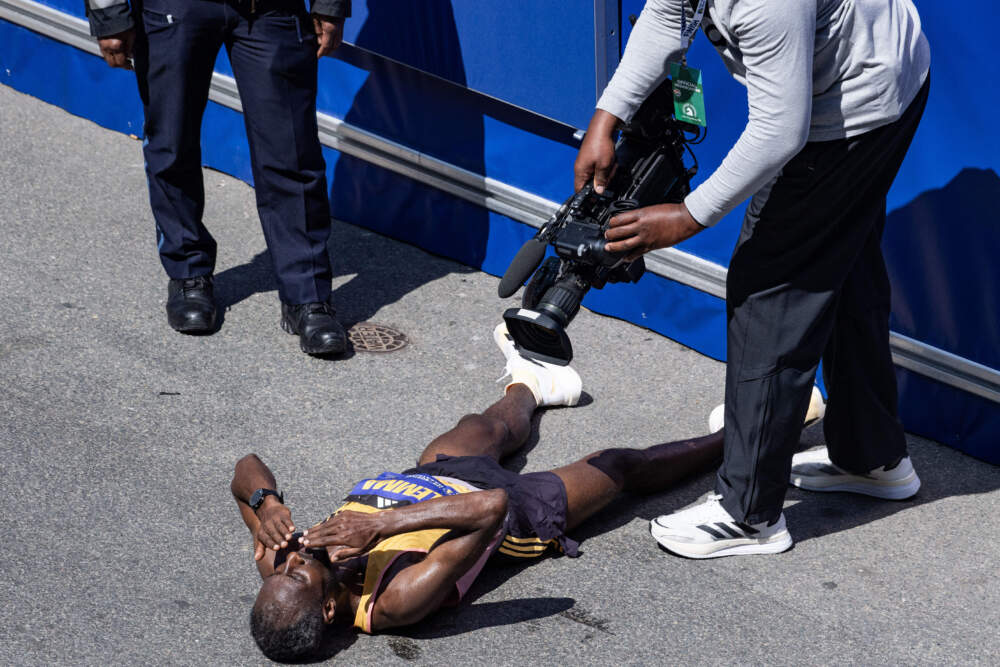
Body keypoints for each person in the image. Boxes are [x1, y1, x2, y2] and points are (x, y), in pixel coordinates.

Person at [573, 0, 930, 558]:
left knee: (773, 286)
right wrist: (606, 119)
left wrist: (688, 215)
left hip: (853, 111)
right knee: (839, 263)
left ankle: (748, 514)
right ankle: (872, 458)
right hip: (887, 71)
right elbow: (668, 15)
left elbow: (780, 131)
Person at [230, 324, 725, 661]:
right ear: (328, 610)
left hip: (431, 476)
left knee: (485, 425)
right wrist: (380, 525)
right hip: (516, 518)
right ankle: (739, 440)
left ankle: (534, 384)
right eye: (296, 577)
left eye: (282, 569)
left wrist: (264, 501)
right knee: (619, 466)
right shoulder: (393, 602)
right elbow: (491, 507)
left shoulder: (282, 563)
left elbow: (245, 467)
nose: (292, 562)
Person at [86, 0, 351, 355]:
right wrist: (110, 13)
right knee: (172, 143)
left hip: (273, 10)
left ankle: (308, 297)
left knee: (291, 153)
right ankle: (188, 274)